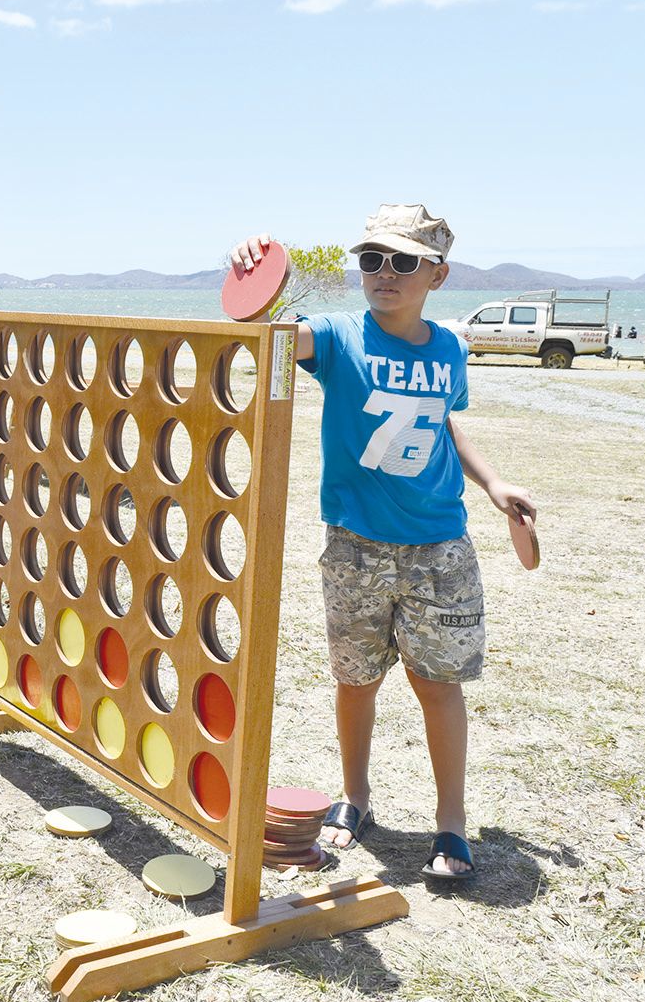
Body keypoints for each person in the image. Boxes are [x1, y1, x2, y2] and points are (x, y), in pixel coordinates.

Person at [229, 204, 535, 881]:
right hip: (354, 547)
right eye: (372, 259)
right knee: (354, 680)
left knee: (436, 684)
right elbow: (269, 339)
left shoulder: (450, 346)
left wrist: (490, 482)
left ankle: (450, 824)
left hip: (438, 548)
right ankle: (355, 796)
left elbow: (444, 420)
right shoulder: (337, 336)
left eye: (402, 261)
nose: (384, 273)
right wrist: (255, 283)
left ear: (438, 274)